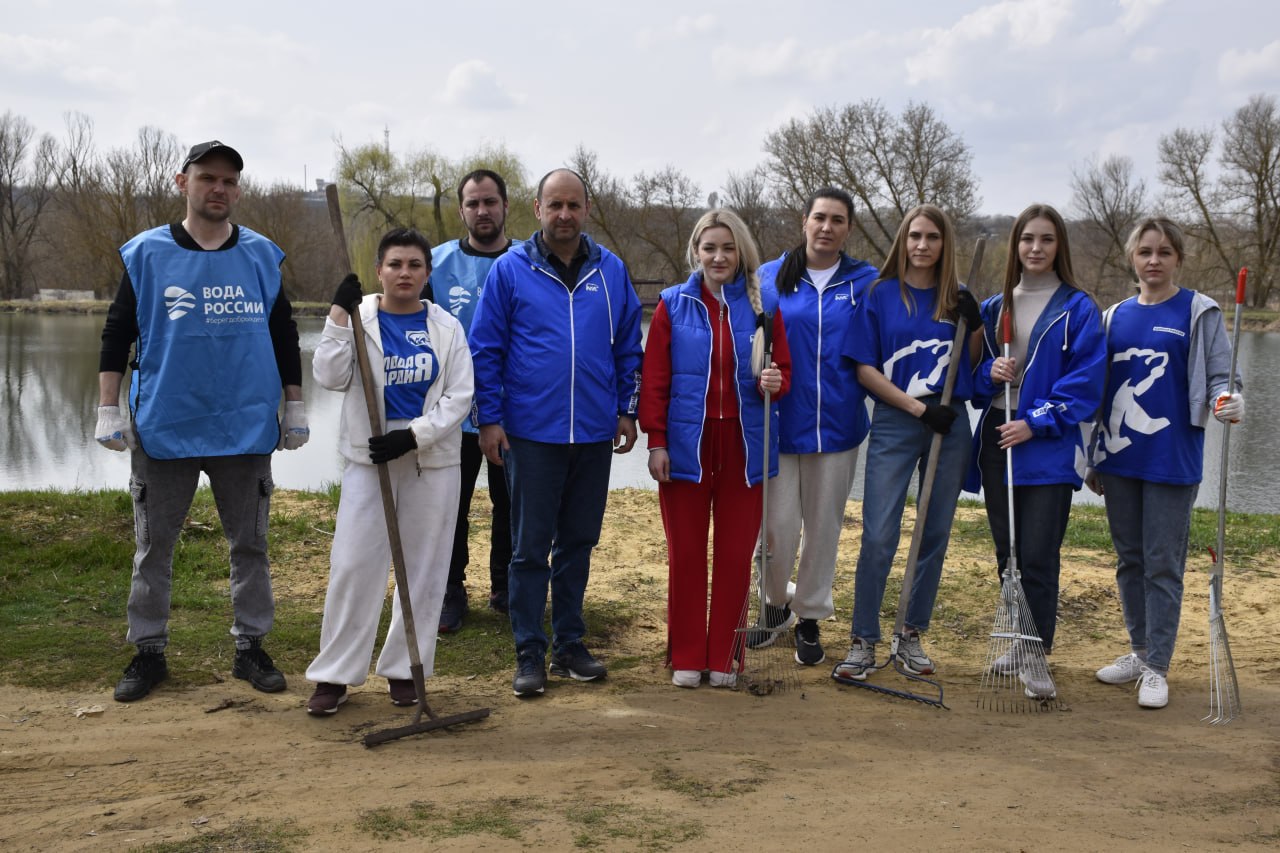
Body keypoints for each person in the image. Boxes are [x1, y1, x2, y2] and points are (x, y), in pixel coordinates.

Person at [95, 141, 309, 702]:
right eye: (207, 177)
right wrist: (108, 407)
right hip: (166, 424)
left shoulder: (261, 255)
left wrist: (295, 405)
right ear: (182, 182)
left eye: (229, 180)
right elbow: (117, 333)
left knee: (251, 545)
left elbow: (284, 335)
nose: (219, 188)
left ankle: (251, 647)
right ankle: (148, 651)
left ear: (238, 190)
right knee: (153, 547)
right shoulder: (147, 253)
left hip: (244, 426)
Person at [468, 168, 644, 697]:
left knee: (578, 542)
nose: (564, 214)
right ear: (537, 209)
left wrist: (627, 410)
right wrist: (489, 419)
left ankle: (569, 643)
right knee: (529, 549)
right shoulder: (510, 270)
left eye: (573, 205)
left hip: (593, 432)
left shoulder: (611, 270)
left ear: (586, 209)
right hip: (531, 433)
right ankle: (529, 650)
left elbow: (628, 346)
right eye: (555, 205)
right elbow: (485, 349)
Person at [304, 228, 474, 715]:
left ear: (427, 273)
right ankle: (335, 674)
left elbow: (460, 395)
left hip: (429, 460)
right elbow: (329, 376)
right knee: (354, 565)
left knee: (423, 569)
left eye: (415, 265)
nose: (405, 273)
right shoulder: (359, 318)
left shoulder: (446, 327)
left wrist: (414, 435)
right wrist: (337, 316)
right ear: (379, 270)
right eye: (395, 264)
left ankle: (405, 668)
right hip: (369, 458)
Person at [1086, 217, 1243, 709]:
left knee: (1162, 564)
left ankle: (1157, 666)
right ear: (1132, 258)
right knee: (1130, 560)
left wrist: (1227, 399)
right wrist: (1091, 457)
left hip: (1171, 457)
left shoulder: (1198, 311)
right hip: (1118, 459)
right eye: (1145, 252)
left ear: (1178, 259)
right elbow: (1097, 389)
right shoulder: (1112, 316)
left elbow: (1221, 376)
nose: (1154, 260)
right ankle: (1139, 650)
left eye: (1164, 252)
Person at [639, 209, 790, 688]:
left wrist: (774, 381)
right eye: (710, 248)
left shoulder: (765, 307)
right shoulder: (672, 305)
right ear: (696, 252)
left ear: (741, 252)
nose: (719, 257)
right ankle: (686, 654)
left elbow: (782, 373)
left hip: (744, 448)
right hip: (687, 446)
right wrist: (656, 442)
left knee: (734, 557)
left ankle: (726, 657)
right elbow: (655, 381)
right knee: (686, 554)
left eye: (728, 248)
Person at [833, 204, 983, 683]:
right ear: (904, 240)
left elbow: (971, 364)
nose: (922, 245)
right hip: (899, 419)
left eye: (932, 237)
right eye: (915, 236)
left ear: (944, 244)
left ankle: (911, 632)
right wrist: (918, 409)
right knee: (880, 534)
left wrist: (975, 325)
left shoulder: (957, 296)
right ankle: (863, 640)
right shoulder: (880, 294)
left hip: (950, 421)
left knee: (932, 534)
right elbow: (864, 369)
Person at [968, 203, 1106, 699]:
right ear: (1016, 245)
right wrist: (989, 374)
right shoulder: (994, 307)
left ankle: (1036, 653)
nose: (1036, 248)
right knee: (1007, 553)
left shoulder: (1079, 308)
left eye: (1047, 239)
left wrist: (1037, 422)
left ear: (1058, 246)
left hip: (1045, 442)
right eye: (1028, 239)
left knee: (1039, 553)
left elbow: (1086, 383)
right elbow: (970, 378)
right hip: (997, 435)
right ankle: (1017, 640)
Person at [751, 188, 877, 666]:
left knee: (823, 530)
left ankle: (809, 616)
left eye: (837, 220)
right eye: (819, 217)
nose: (827, 227)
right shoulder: (768, 277)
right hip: (780, 423)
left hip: (839, 426)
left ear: (849, 228)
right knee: (777, 529)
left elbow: (910, 313)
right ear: (803, 220)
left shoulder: (866, 281)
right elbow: (742, 335)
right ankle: (774, 605)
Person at [427, 169, 515, 632]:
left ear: (505, 206)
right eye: (473, 203)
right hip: (451, 411)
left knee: (512, 504)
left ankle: (506, 585)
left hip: (514, 411)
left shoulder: (528, 260)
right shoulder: (436, 263)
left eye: (490, 202)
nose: (482, 211)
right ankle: (450, 589)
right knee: (449, 507)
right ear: (461, 210)